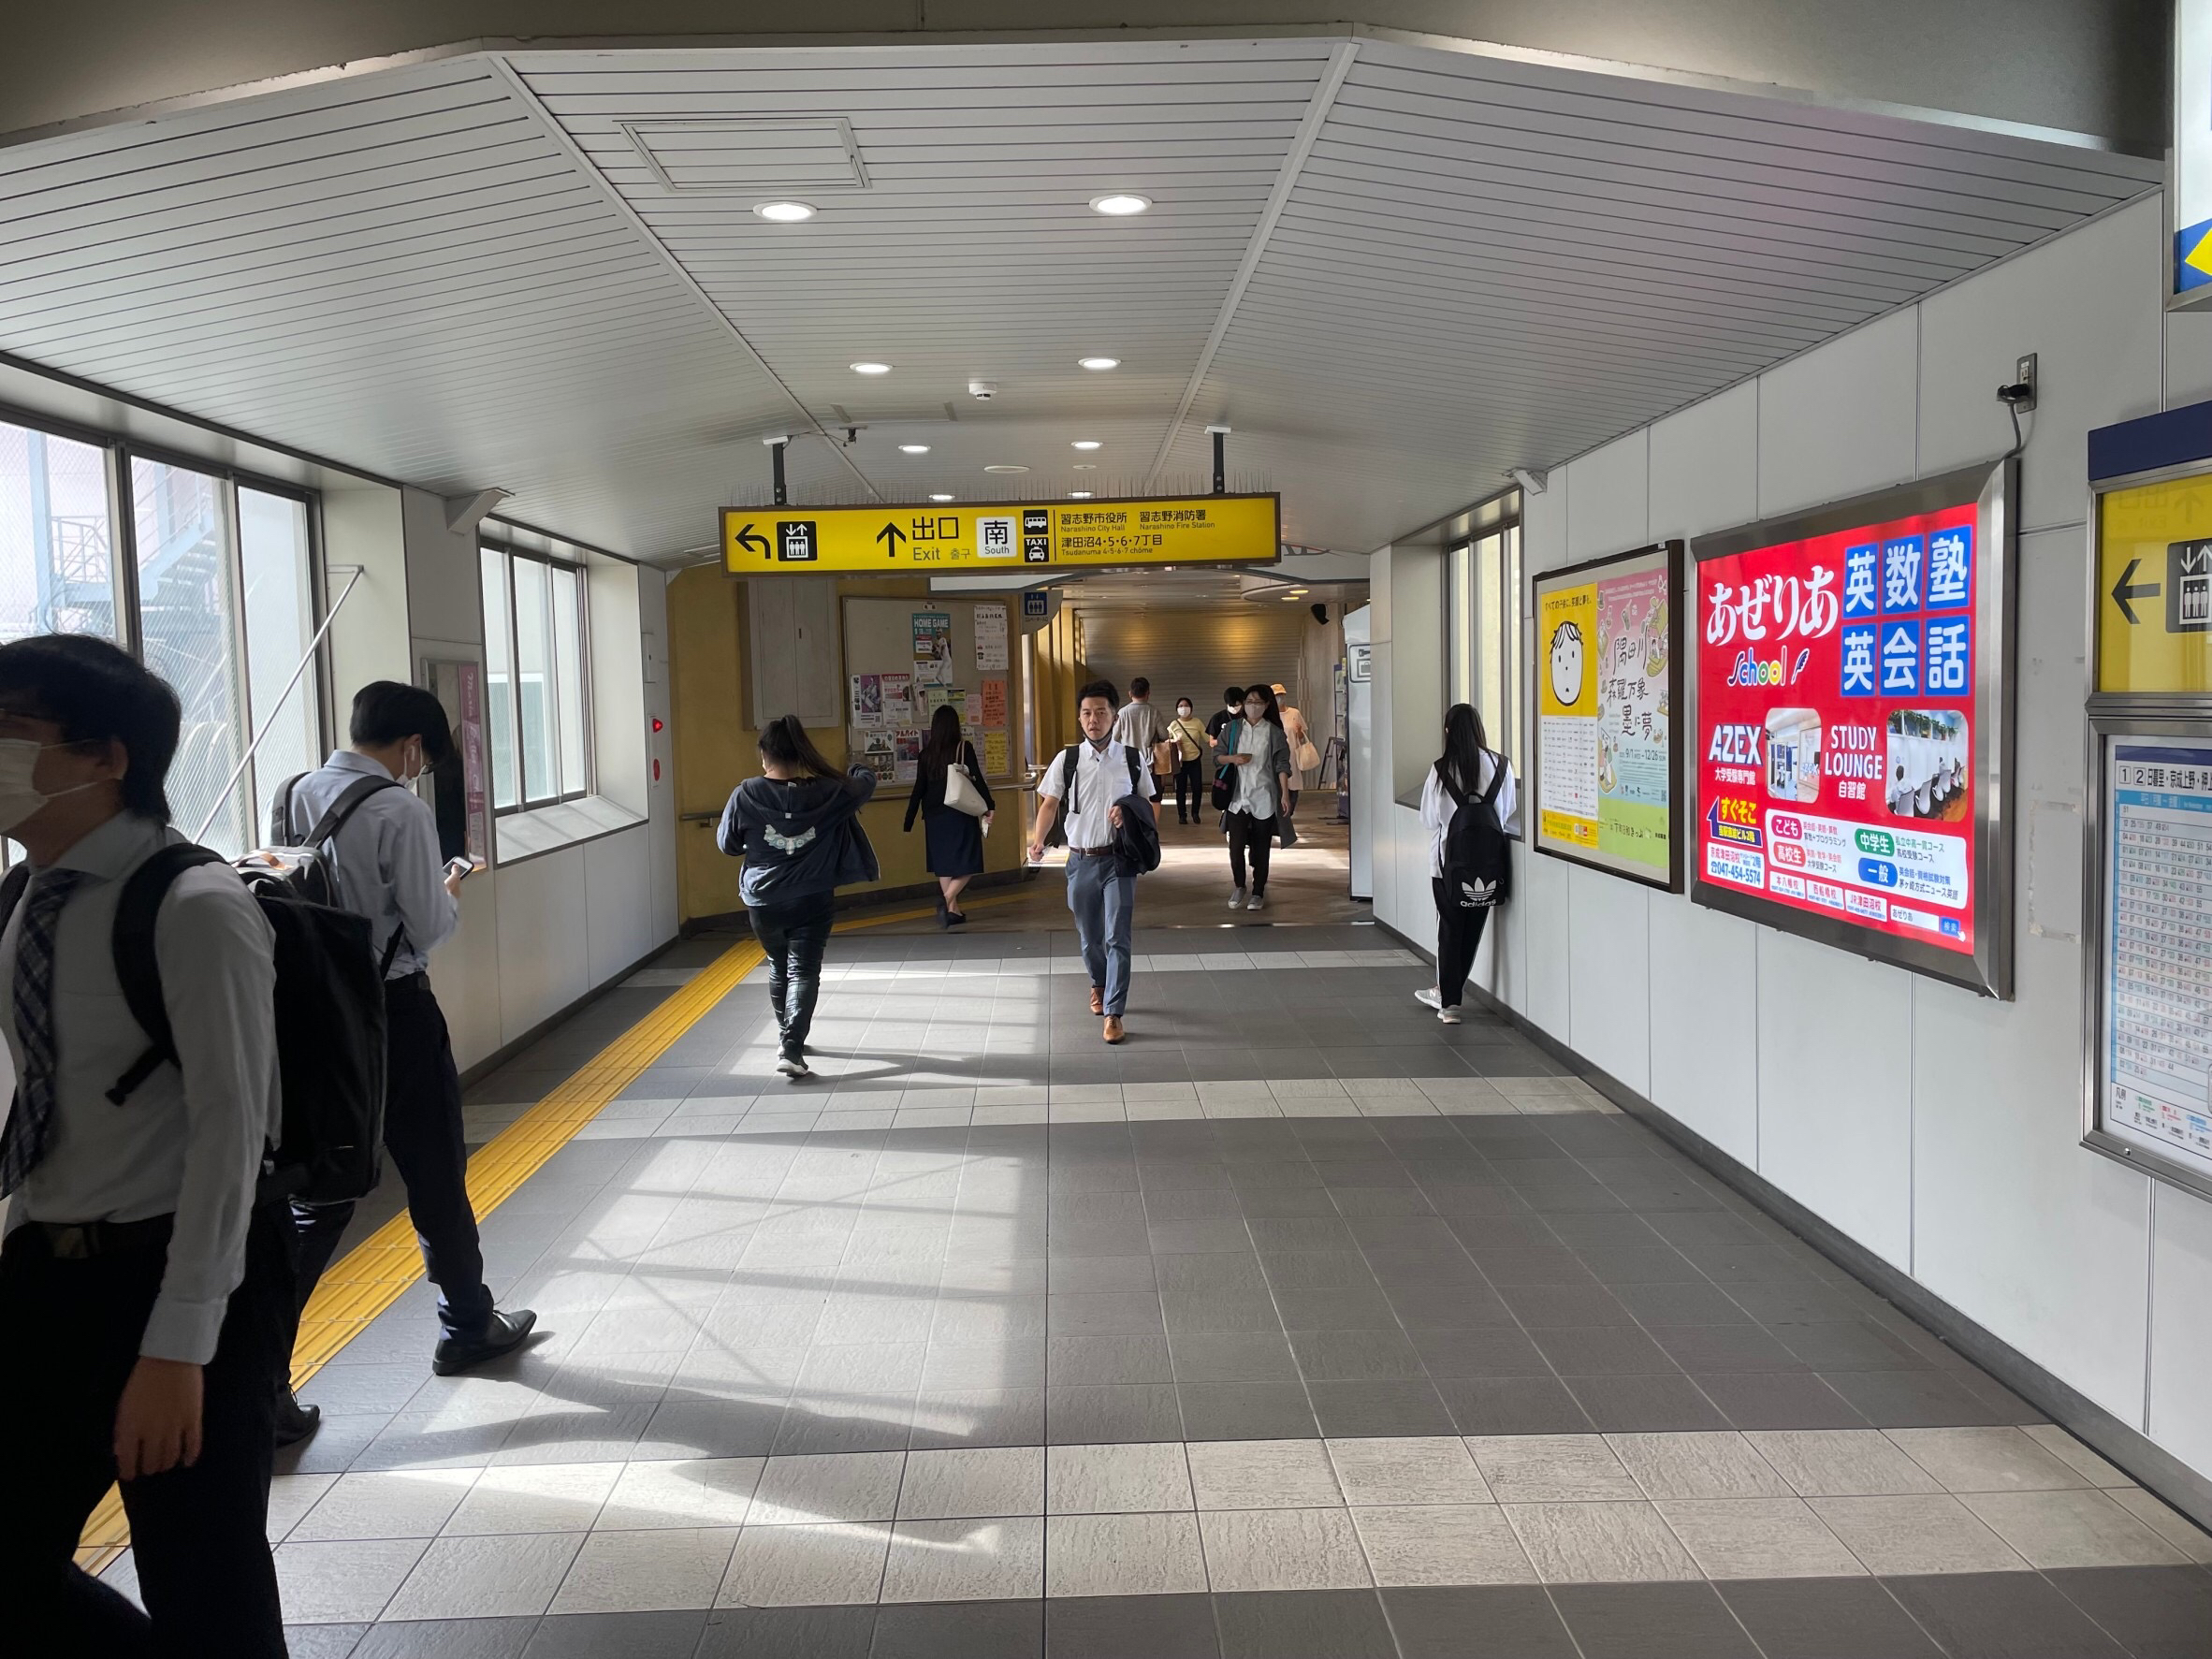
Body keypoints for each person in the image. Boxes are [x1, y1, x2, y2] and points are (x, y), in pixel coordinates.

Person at [0, 633, 291, 1656]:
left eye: (11, 728)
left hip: (176, 1274)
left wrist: (178, 1347)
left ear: (105, 756)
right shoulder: (26, 895)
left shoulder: (196, 907)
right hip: (47, 1271)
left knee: (204, 1584)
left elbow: (232, 1132)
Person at [286, 682, 535, 1433]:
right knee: (434, 1168)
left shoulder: (293, 791)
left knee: (318, 1194)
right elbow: (426, 925)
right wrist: (451, 885)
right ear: (412, 746)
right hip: (393, 1009)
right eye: (423, 759)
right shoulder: (400, 808)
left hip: (313, 1016)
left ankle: (259, 1375)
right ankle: (467, 1323)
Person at [720, 716, 878, 1080]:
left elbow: (728, 844)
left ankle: (787, 1038)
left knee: (779, 965)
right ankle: (791, 1045)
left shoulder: (745, 793)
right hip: (812, 895)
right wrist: (856, 767)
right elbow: (865, 785)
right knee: (803, 970)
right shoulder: (828, 792)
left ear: (764, 754)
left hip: (763, 898)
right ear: (802, 754)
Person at [1027, 680, 1155, 1045]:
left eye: (1100, 712)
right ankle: (1098, 982)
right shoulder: (1067, 760)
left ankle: (1114, 1012)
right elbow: (1050, 803)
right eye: (1086, 713)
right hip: (1081, 860)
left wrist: (1130, 817)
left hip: (1120, 861)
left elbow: (1149, 805)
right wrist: (1037, 840)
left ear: (1114, 716)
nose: (1093, 719)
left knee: (1118, 936)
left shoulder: (1131, 759)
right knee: (1090, 937)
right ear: (1079, 718)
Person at [1417, 703, 1521, 1025]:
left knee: (1449, 929)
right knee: (1472, 931)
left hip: (1446, 864)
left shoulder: (1441, 769)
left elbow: (1429, 819)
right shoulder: (1502, 765)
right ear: (1479, 729)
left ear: (1448, 731)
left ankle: (1449, 1003)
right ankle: (1449, 993)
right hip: (1488, 863)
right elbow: (1507, 811)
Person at [903, 704, 995, 926]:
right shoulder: (963, 749)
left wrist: (909, 818)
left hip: (933, 817)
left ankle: (953, 912)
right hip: (959, 813)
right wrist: (989, 805)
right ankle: (946, 900)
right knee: (970, 861)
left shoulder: (926, 755)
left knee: (944, 864)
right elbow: (977, 779)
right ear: (955, 726)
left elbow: (919, 788)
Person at [1219, 683, 1294, 913]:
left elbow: (1282, 764)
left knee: (1262, 848)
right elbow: (1217, 756)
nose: (1253, 706)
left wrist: (1285, 794)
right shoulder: (1232, 729)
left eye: (1258, 702)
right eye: (1249, 702)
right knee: (1236, 847)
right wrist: (1233, 759)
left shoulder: (1274, 732)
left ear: (1267, 705)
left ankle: (1258, 891)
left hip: (1264, 796)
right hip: (1237, 798)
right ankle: (1239, 885)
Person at [1112, 676, 1171, 787]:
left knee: (1131, 793)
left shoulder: (1123, 712)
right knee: (1150, 794)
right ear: (1148, 693)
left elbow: (1114, 737)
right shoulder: (1154, 712)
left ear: (1130, 694)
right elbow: (1164, 735)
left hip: (1127, 761)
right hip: (1149, 762)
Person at [1166, 696, 1210, 825]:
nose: (1183, 708)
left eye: (1186, 705)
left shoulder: (1197, 722)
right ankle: (1182, 815)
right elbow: (1166, 741)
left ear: (1191, 708)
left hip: (1195, 760)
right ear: (1176, 709)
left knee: (1197, 788)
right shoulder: (1174, 724)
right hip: (1180, 763)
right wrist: (1174, 740)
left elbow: (1208, 738)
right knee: (1180, 790)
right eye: (1180, 706)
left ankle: (1195, 813)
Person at [1273, 684, 1317, 815]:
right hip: (1276, 756)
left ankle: (1288, 815)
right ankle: (1280, 817)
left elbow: (1302, 737)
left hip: (1293, 755)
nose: (1280, 698)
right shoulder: (1269, 715)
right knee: (1278, 785)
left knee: (1293, 786)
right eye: (1276, 696)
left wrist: (1299, 732)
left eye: (1281, 695)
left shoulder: (1294, 713)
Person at [1205, 686, 1243, 751]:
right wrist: (1229, 741)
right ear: (1227, 703)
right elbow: (1211, 742)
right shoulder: (1217, 718)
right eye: (1231, 705)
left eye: (1237, 705)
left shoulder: (1246, 717)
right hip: (1223, 754)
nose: (1234, 708)